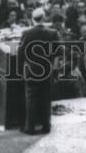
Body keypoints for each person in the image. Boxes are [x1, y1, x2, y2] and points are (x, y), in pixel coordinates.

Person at [17, 7, 60, 136]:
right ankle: (46, 126)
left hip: (32, 70)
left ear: (32, 19)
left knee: (31, 98)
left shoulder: (27, 33)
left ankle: (30, 127)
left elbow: (21, 54)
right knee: (46, 98)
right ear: (44, 18)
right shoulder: (53, 33)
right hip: (48, 70)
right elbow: (58, 54)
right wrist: (55, 70)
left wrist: (23, 68)